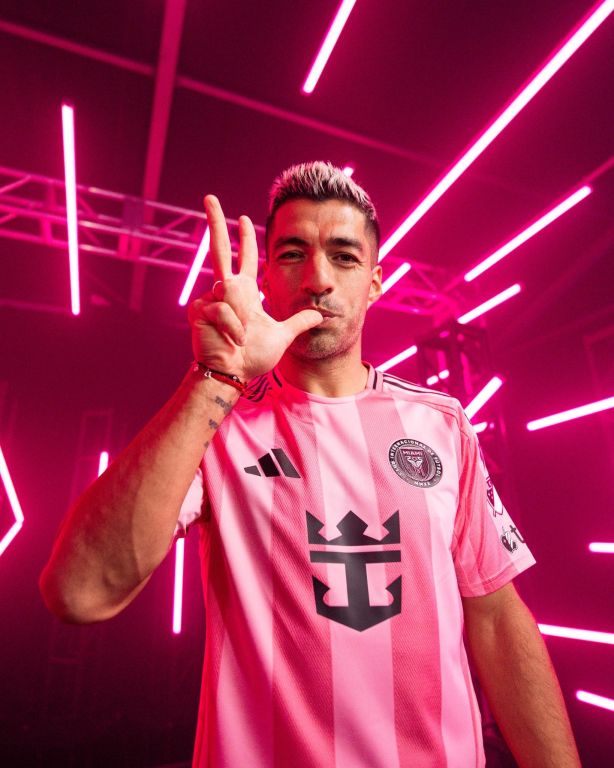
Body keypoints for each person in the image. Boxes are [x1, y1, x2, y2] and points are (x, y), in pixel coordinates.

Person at [40, 162, 580, 767]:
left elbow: (498, 621)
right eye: (293, 254)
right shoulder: (215, 421)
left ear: (374, 283)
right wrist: (214, 378)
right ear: (266, 279)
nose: (318, 278)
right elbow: (78, 593)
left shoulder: (442, 425)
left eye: (344, 257)